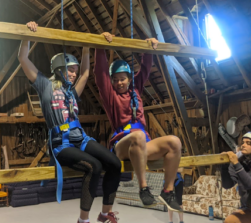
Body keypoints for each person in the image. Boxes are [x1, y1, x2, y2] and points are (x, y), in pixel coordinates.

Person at [18, 22, 121, 223]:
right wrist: (26, 34)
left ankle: (105, 213)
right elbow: (23, 58)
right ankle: (83, 220)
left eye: (74, 70)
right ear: (58, 69)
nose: (74, 74)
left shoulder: (72, 92)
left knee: (115, 163)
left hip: (80, 138)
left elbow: (86, 73)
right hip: (60, 143)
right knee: (94, 166)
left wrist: (86, 44)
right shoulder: (44, 85)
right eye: (70, 70)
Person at [94, 32, 183, 212]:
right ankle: (143, 188)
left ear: (129, 79)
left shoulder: (135, 90)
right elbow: (100, 73)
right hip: (122, 145)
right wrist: (100, 46)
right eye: (116, 80)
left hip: (143, 144)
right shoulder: (110, 96)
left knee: (175, 141)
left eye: (123, 79)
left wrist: (149, 47)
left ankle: (168, 190)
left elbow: (145, 69)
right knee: (138, 136)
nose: (119, 83)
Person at [221, 132, 251, 223]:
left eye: (248, 143)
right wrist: (225, 166)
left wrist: (236, 164)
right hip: (247, 207)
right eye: (243, 142)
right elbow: (227, 185)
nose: (243, 145)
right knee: (229, 220)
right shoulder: (240, 161)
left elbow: (249, 184)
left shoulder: (237, 163)